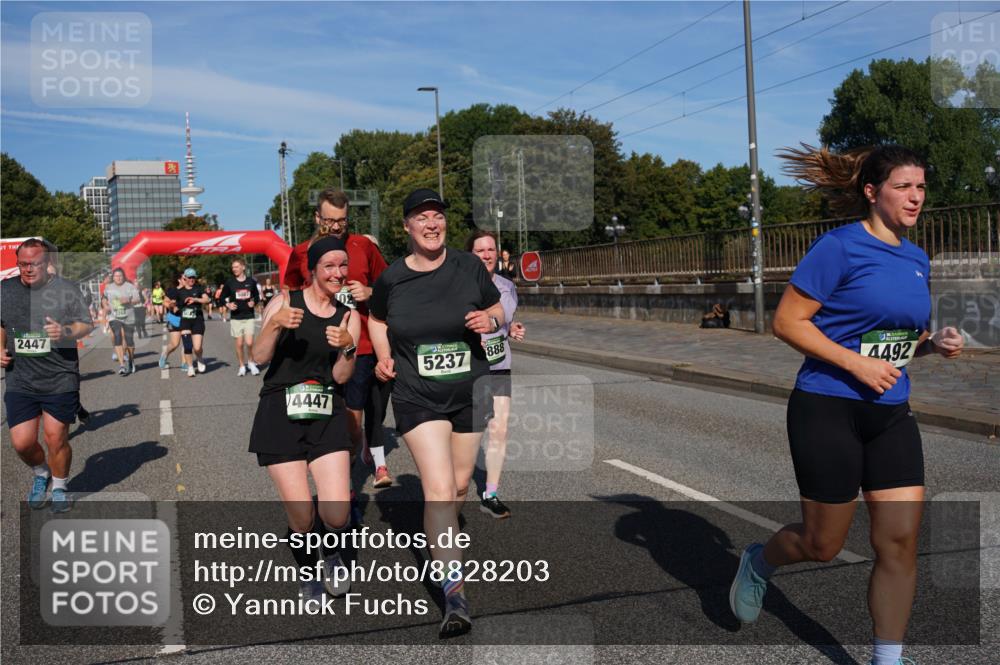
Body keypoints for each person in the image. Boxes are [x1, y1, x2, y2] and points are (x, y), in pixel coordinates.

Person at [728, 144, 964, 665]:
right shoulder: (839, 247)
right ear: (871, 192)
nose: (915, 197)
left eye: (921, 187)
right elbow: (787, 323)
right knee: (822, 544)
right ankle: (758, 562)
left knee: (899, 543)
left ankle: (888, 658)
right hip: (827, 408)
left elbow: (892, 343)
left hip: (891, 414)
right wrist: (855, 365)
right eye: (903, 186)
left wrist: (930, 345)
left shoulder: (917, 257)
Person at [369, 188, 504, 638]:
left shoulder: (468, 266)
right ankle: (454, 596)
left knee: (462, 483)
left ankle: (443, 540)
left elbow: (497, 307)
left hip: (469, 390)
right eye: (422, 218)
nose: (432, 224)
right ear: (406, 226)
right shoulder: (391, 279)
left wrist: (491, 321)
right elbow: (377, 319)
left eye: (438, 217)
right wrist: (385, 354)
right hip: (416, 394)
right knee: (440, 490)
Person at [249, 235, 360, 601]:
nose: (338, 272)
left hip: (327, 410)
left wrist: (347, 345)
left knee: (338, 515)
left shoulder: (349, 315)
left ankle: (331, 552)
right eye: (329, 265)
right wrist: (275, 324)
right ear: (312, 269)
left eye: (343, 265)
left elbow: (343, 376)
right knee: (301, 517)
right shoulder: (284, 301)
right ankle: (309, 570)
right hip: (280, 412)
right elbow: (259, 357)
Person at [284, 189, 393, 489]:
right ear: (317, 216)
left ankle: (349, 470)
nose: (335, 227)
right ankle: (328, 478)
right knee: (315, 416)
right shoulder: (302, 252)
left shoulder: (363, 247)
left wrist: (370, 293)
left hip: (359, 346)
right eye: (329, 220)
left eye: (341, 221)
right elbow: (289, 291)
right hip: (314, 349)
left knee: (352, 422)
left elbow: (389, 287)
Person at [1, 239, 93, 513]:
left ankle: (61, 486)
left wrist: (64, 333)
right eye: (22, 264)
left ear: (47, 263)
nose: (28, 269)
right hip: (20, 378)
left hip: (59, 375)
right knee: (22, 442)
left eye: (34, 264)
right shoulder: (5, 290)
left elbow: (86, 324)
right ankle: (42, 473)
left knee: (56, 438)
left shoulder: (66, 289)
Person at [465, 231, 528, 519]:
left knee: (499, 429)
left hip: (499, 364)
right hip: (467, 368)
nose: (487, 254)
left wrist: (512, 329)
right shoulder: (459, 287)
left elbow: (508, 319)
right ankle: (454, 488)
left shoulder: (506, 286)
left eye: (491, 249)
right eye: (481, 250)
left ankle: (490, 493)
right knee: (469, 432)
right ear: (470, 255)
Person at [220, 257, 261, 377]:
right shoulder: (230, 282)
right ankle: (242, 366)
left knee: (249, 343)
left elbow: (257, 296)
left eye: (236, 267)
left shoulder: (251, 282)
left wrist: (254, 302)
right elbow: (222, 297)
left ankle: (251, 363)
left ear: (243, 267)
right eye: (233, 267)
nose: (234, 269)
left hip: (248, 316)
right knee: (239, 344)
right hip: (236, 317)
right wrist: (228, 304)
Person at [103, 267, 142, 375]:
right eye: (116, 276)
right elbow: (104, 298)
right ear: (113, 277)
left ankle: (131, 360)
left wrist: (128, 300)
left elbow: (138, 299)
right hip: (114, 317)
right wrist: (106, 305)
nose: (118, 278)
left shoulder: (130, 287)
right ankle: (122, 365)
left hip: (128, 316)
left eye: (120, 276)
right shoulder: (108, 287)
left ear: (123, 276)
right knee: (117, 337)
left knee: (130, 341)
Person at [176, 268, 210, 377]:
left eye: (193, 277)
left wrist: (195, 300)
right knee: (187, 346)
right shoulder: (180, 292)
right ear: (184, 278)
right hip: (185, 322)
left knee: (197, 347)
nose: (191, 279)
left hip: (197, 321)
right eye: (189, 277)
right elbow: (173, 304)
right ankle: (190, 367)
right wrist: (175, 306)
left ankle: (199, 358)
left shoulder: (199, 289)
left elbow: (206, 299)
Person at [160, 274, 185, 370]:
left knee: (187, 342)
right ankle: (164, 354)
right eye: (184, 278)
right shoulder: (173, 290)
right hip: (174, 319)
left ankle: (184, 363)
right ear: (179, 280)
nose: (187, 280)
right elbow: (165, 302)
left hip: (187, 319)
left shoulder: (190, 290)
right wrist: (171, 305)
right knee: (175, 344)